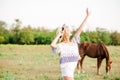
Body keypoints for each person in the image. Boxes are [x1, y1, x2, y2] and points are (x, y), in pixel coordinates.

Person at [50, 8, 90, 80]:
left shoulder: (74, 42)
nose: (70, 30)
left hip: (71, 75)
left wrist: (87, 16)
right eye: (68, 29)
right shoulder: (61, 45)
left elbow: (80, 29)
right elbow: (52, 45)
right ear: (65, 33)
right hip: (67, 74)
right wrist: (59, 35)